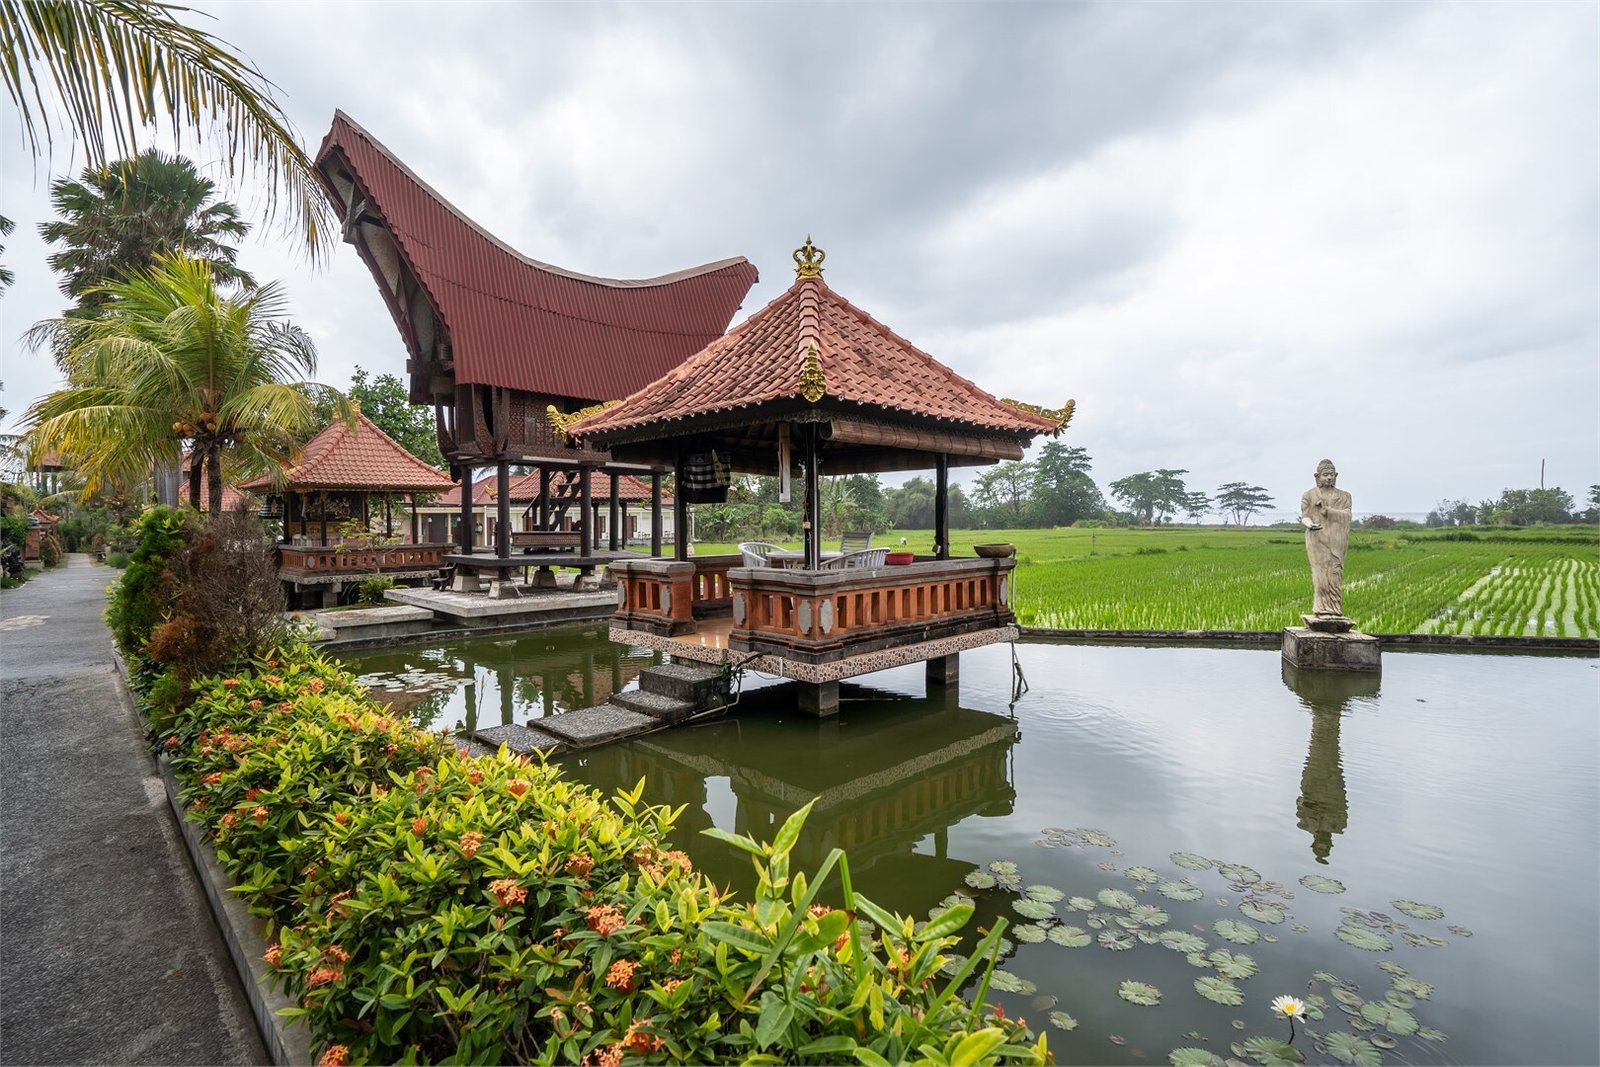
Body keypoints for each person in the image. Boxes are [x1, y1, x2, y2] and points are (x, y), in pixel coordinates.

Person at [1300, 459, 1352, 617]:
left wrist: (1327, 511)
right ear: (1317, 477)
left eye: (1331, 474)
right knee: (1320, 576)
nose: (1329, 477)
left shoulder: (1344, 496)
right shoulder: (1309, 495)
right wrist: (1310, 524)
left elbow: (1347, 515)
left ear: (1336, 476)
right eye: (1325, 475)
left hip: (1337, 540)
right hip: (1317, 540)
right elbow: (1305, 516)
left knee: (1335, 575)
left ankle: (1335, 608)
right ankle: (1320, 608)